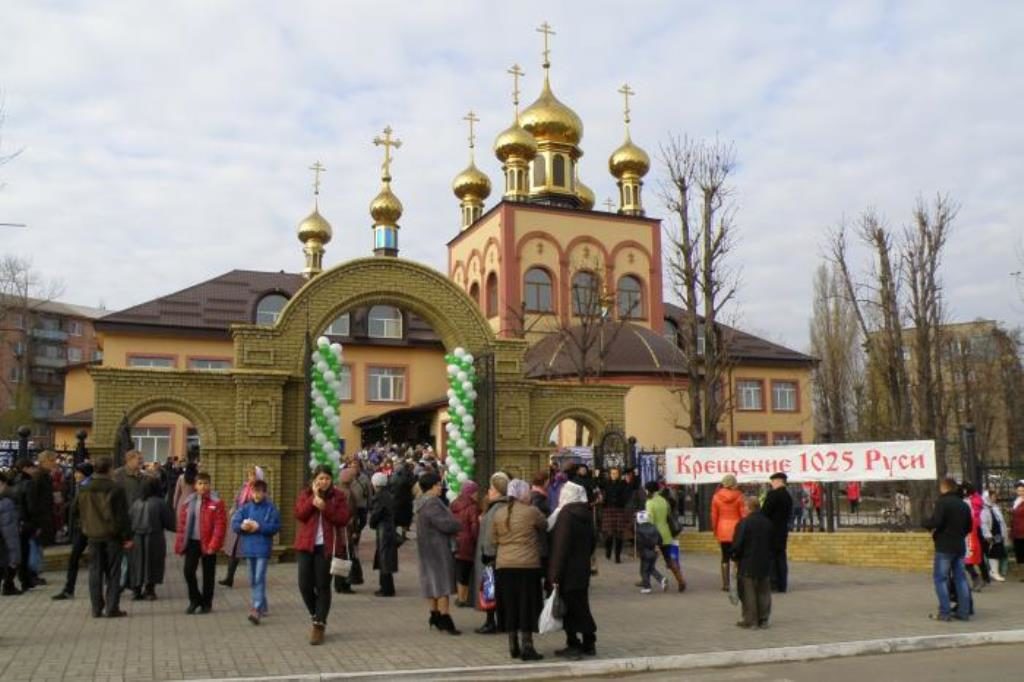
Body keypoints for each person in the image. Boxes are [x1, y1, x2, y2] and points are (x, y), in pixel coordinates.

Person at [294, 465, 350, 645]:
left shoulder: (338, 496)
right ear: (314, 480)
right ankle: (316, 614)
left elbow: (343, 518)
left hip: (327, 547)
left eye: (326, 478)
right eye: (320, 478)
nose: (323, 482)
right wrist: (313, 501)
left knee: (323, 585)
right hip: (306, 545)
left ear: (331, 480)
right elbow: (299, 515)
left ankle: (319, 625)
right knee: (304, 585)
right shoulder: (305, 494)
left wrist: (325, 507)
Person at [493, 478, 547, 660]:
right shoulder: (531, 511)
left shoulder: (499, 513)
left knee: (510, 605)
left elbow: (493, 539)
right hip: (527, 566)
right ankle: (527, 645)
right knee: (528, 605)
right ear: (524, 493)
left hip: (504, 566)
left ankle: (512, 643)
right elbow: (545, 525)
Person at [73, 456, 132, 618]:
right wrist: (127, 536)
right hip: (112, 535)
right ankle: (112, 607)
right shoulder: (115, 488)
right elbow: (122, 515)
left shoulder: (84, 487)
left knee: (95, 571)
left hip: (92, 534)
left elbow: (74, 511)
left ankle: (96, 607)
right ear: (110, 469)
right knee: (113, 572)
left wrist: (83, 525)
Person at [548, 481, 598, 659]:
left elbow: (561, 547)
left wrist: (554, 573)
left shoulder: (566, 515)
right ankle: (589, 641)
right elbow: (593, 541)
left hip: (567, 570)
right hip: (582, 568)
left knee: (571, 609)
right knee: (581, 604)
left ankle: (574, 643)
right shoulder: (585, 514)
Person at [415, 472, 462, 636]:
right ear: (431, 486)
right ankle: (445, 618)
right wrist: (458, 523)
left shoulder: (421, 503)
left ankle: (434, 615)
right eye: (438, 484)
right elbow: (446, 524)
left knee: (431, 582)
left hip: (427, 548)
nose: (441, 487)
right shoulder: (433, 503)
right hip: (438, 548)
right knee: (442, 585)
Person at [174, 472, 227, 615]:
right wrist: (180, 544)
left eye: (206, 484)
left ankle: (206, 603)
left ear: (210, 485)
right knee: (188, 571)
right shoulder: (189, 501)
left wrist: (213, 545)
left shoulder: (216, 503)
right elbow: (182, 525)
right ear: (195, 485)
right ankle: (195, 599)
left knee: (208, 575)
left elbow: (220, 526)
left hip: (209, 543)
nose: (203, 487)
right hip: (192, 542)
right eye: (200, 483)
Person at [231, 478, 280, 625]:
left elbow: (275, 527)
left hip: (263, 548)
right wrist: (242, 527)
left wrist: (260, 527)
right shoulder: (246, 508)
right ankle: (263, 605)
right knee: (253, 579)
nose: (256, 495)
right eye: (254, 492)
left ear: (265, 493)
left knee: (259, 577)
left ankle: (256, 608)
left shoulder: (271, 509)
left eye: (259, 492)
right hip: (249, 548)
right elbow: (235, 523)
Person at [923, 477, 973, 621]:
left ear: (945, 487)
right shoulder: (963, 504)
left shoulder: (942, 502)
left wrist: (925, 523)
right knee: (961, 579)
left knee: (941, 579)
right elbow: (969, 527)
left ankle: (944, 612)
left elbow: (936, 522)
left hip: (944, 546)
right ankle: (964, 612)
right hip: (959, 546)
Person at [128, 477, 175, 600]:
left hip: (136, 537)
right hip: (154, 537)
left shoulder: (136, 502)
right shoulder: (159, 503)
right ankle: (149, 590)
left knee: (137, 563)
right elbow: (170, 523)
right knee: (152, 563)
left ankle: (136, 589)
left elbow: (129, 520)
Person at [731, 497, 775, 628]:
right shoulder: (768, 523)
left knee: (748, 591)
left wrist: (734, 556)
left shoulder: (744, 523)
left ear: (748, 508)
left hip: (748, 561)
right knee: (764, 590)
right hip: (765, 561)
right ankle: (764, 619)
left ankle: (751, 620)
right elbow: (773, 543)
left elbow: (738, 544)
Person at [53, 462, 94, 600]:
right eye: (76, 472)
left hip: (88, 528)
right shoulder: (79, 486)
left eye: (78, 472)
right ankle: (69, 588)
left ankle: (70, 589)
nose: (76, 475)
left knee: (92, 558)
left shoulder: (88, 487)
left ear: (85, 473)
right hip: (80, 528)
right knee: (74, 558)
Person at [475, 471, 509, 634]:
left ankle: (491, 622)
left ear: (496, 491)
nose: (488, 491)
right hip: (504, 555)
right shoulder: (507, 506)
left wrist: (487, 554)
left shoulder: (495, 509)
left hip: (492, 557)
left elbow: (490, 536)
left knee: (490, 590)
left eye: (490, 488)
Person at [220, 465, 263, 588]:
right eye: (249, 475)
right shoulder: (244, 487)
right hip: (240, 522)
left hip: (251, 524)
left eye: (253, 475)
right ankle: (229, 578)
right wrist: (233, 511)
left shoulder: (260, 490)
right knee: (234, 551)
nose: (251, 478)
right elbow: (237, 501)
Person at [644, 481, 686, 591]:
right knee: (669, 559)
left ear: (649, 490)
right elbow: (668, 514)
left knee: (647, 560)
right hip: (666, 533)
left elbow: (650, 520)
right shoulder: (664, 500)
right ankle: (680, 580)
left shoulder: (650, 502)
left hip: (655, 535)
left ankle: (647, 581)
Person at [711, 474, 746, 592]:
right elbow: (743, 515)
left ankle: (725, 584)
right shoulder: (740, 496)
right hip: (736, 530)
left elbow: (714, 516)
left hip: (722, 529)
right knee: (737, 557)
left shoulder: (716, 497)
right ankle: (736, 581)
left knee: (724, 556)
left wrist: (715, 530)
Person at [761, 472, 794, 592]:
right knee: (781, 557)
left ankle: (773, 583)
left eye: (773, 481)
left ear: (779, 481)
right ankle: (782, 584)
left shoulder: (773, 495)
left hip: (771, 530)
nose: (772, 483)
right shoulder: (787, 496)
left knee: (771, 557)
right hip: (782, 530)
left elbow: (765, 512)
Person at [450, 480, 480, 608]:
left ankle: (459, 596)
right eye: (476, 492)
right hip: (467, 542)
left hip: (456, 540)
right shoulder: (473, 507)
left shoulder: (454, 504)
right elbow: (474, 526)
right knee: (466, 571)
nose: (477, 494)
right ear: (471, 493)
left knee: (459, 570)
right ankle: (464, 598)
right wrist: (476, 539)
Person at [368, 471, 398, 597]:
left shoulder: (379, 496)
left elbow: (376, 514)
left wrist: (371, 523)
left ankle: (386, 588)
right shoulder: (389, 494)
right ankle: (387, 586)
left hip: (384, 529)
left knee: (384, 558)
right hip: (389, 528)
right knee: (386, 557)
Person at [599, 467, 630, 564]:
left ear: (618, 474)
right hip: (608, 509)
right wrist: (596, 475)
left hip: (620, 509)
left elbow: (629, 492)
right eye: (612, 473)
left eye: (616, 473)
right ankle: (608, 550)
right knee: (609, 535)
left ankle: (617, 556)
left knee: (619, 535)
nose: (614, 475)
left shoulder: (623, 483)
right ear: (609, 474)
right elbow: (596, 485)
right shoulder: (605, 483)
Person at [0, 471, 22, 595]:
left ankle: (8, 585)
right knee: (12, 561)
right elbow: (8, 527)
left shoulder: (7, 500)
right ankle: (8, 586)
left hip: (5, 538)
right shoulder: (7, 502)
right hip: (5, 539)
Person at [634, 510, 666, 594]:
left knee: (643, 570)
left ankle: (647, 587)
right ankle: (662, 579)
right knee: (651, 568)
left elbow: (639, 542)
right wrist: (658, 546)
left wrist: (638, 552)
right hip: (654, 551)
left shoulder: (639, 529)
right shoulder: (654, 527)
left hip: (645, 552)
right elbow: (660, 539)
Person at [980, 489, 1008, 582]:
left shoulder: (994, 507)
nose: (995, 498)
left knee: (997, 552)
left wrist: (1004, 533)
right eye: (993, 496)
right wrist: (987, 535)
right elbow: (983, 523)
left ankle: (993, 571)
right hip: (991, 534)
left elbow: (1000, 521)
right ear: (988, 497)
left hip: (997, 534)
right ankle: (994, 572)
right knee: (993, 553)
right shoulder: (984, 509)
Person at [1013, 481, 1024, 581]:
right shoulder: (1016, 501)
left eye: (1022, 490)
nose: (1020, 492)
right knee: (1020, 553)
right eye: (1019, 490)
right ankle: (1022, 574)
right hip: (1017, 531)